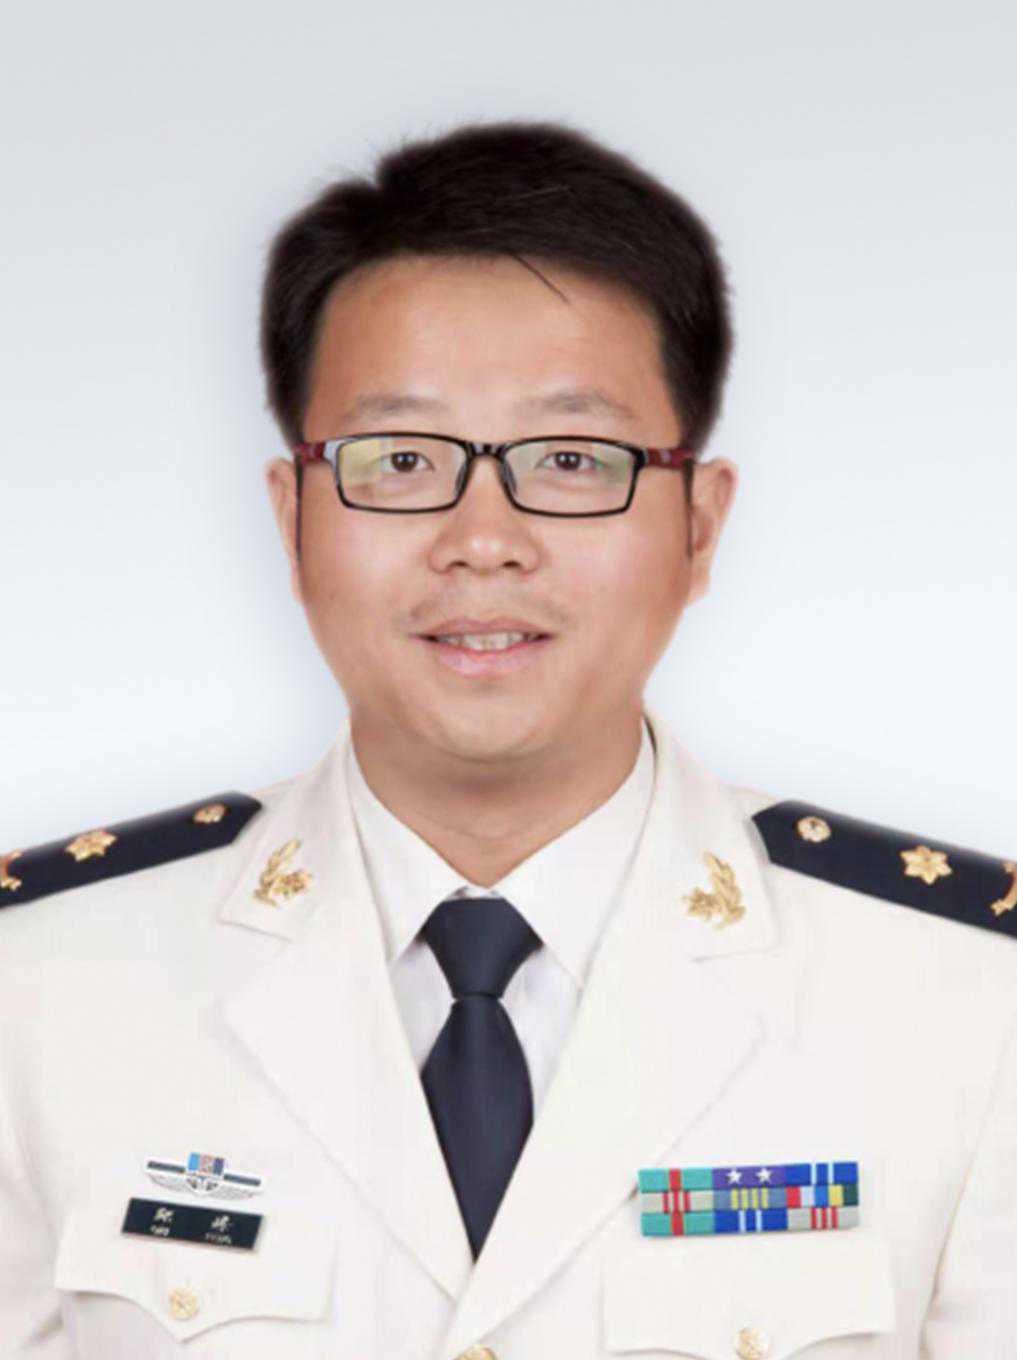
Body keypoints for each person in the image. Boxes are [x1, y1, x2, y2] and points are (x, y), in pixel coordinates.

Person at [2, 119, 1015, 1360]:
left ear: (699, 526)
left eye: (572, 458)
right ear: (292, 517)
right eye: (400, 458)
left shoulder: (970, 1003)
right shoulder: (39, 985)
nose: (483, 540)